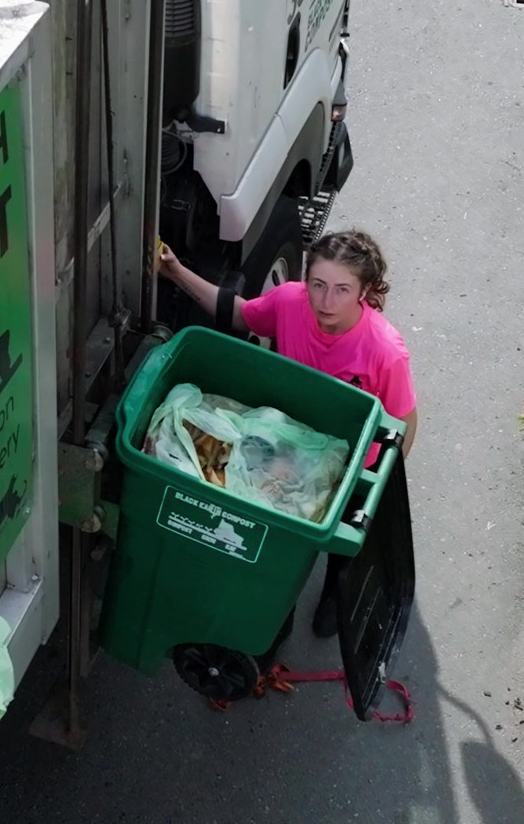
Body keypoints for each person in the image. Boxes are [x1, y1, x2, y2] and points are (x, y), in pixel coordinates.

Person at [157, 228, 418, 636]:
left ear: (364, 291)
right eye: (318, 285)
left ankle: (338, 590)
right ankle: (275, 616)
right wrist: (174, 272)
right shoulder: (290, 301)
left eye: (342, 289)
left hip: (346, 463)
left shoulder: (385, 351)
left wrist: (371, 488)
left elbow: (404, 423)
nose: (326, 302)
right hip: (283, 444)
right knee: (274, 538)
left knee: (341, 543)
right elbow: (240, 313)